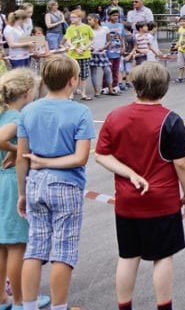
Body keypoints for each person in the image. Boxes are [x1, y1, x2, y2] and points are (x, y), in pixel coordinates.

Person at [94, 62, 185, 310]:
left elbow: (101, 155)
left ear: (135, 86)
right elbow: (181, 163)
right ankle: (164, 306)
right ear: (164, 88)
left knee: (128, 257)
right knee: (162, 258)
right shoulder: (170, 120)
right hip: (162, 200)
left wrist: (129, 174)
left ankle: (124, 306)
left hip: (127, 201)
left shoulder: (114, 116)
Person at [16, 55, 95, 310]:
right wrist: (48, 162)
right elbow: (80, 158)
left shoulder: (29, 110)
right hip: (66, 185)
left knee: (35, 247)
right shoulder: (80, 111)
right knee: (63, 249)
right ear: (73, 81)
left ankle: (28, 305)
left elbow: (22, 157)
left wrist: (22, 193)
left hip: (35, 183)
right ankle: (59, 306)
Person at [0, 70, 51, 310]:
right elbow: (1, 138)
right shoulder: (15, 118)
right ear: (27, 93)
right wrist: (16, 150)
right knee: (17, 245)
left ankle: (2, 297)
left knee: (2, 244)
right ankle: (20, 299)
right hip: (10, 182)